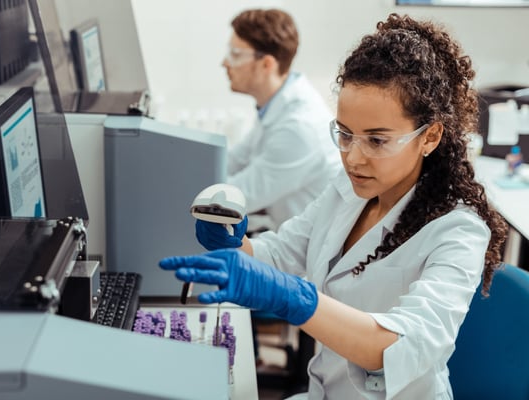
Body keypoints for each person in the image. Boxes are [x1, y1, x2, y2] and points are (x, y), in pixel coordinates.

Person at [160, 13, 509, 399]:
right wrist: (234, 245)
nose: (353, 159)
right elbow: (282, 253)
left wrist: (295, 300)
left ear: (429, 137)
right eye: (345, 134)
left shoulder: (458, 230)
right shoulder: (349, 190)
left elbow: (403, 346)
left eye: (377, 141)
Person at [222, 8, 341, 230]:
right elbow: (233, 160)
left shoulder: (298, 127)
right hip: (286, 235)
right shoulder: (275, 106)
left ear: (267, 64)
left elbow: (237, 196)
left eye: (235, 55)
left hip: (304, 257)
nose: (225, 63)